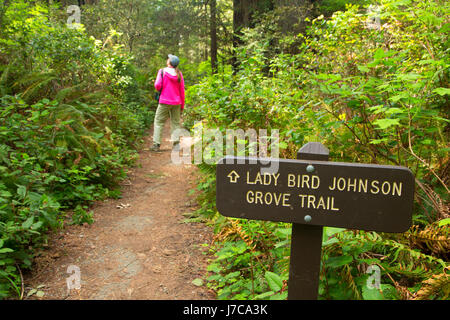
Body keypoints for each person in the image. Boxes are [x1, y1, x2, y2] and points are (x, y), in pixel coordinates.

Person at [151, 54, 185, 152]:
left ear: (169, 62)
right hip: (177, 102)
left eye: (168, 59)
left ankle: (156, 145)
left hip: (164, 101)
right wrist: (182, 105)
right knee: (175, 123)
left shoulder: (162, 71)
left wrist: (159, 88)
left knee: (158, 121)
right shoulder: (179, 74)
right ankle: (176, 145)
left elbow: (157, 85)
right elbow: (182, 90)